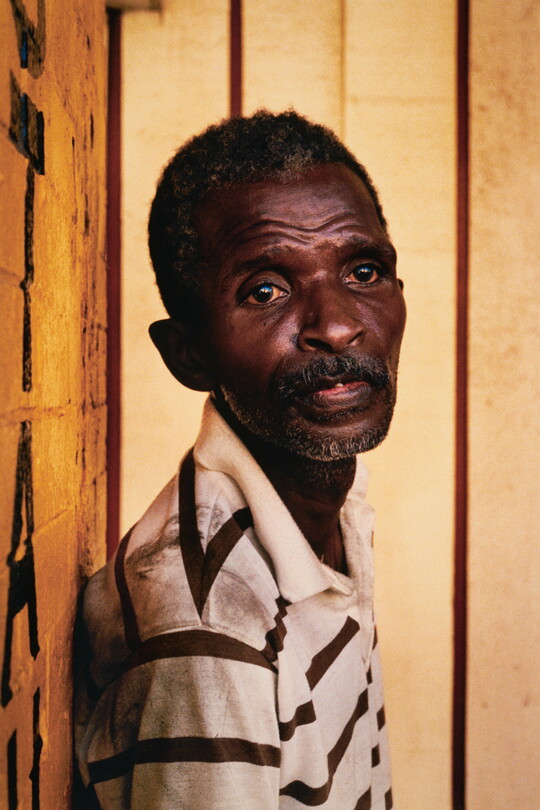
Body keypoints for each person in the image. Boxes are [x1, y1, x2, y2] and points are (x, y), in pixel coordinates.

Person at [75, 110, 406, 810]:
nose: (338, 322)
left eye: (364, 269)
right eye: (265, 290)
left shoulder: (328, 506)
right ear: (187, 354)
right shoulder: (211, 632)